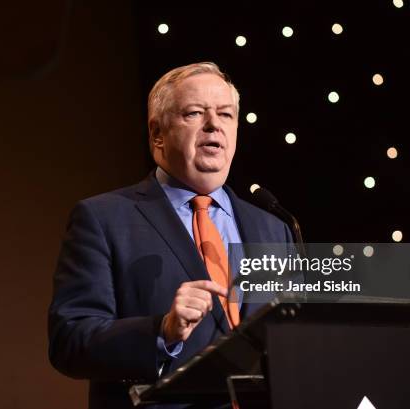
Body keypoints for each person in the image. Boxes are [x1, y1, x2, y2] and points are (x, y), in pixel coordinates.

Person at [48, 62, 294, 408]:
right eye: (194, 113)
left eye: (225, 114)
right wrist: (161, 331)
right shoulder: (103, 218)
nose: (213, 125)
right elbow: (69, 341)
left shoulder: (274, 227)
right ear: (157, 133)